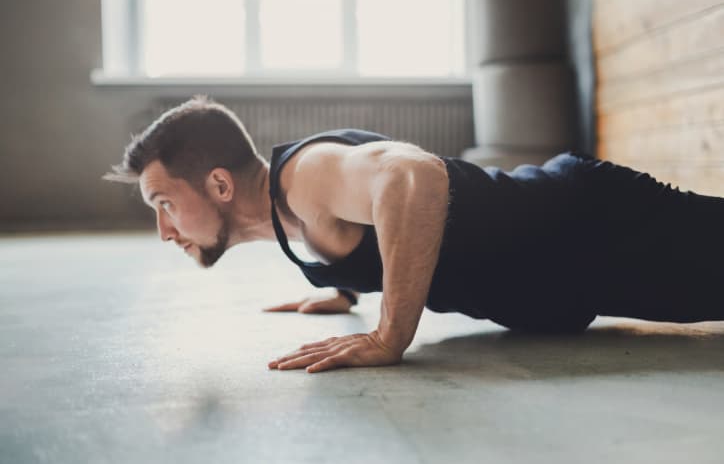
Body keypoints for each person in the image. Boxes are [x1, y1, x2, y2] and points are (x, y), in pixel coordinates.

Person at [103, 96, 724, 373]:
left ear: (217, 186)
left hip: (592, 227)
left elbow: (413, 177)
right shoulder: (285, 216)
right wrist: (343, 291)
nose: (163, 230)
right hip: (576, 280)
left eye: (163, 203)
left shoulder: (308, 175)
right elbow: (358, 231)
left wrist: (389, 335)